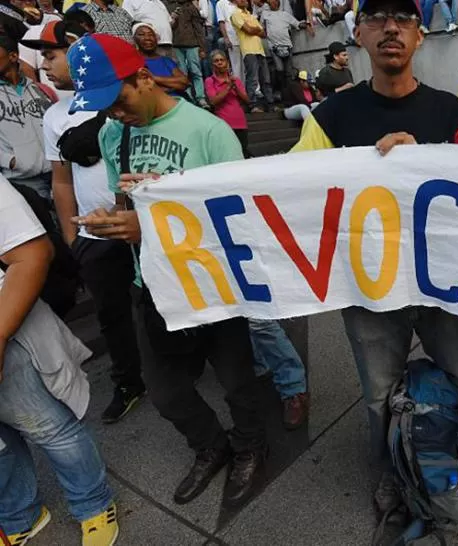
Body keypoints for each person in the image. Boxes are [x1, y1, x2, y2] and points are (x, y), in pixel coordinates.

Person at [289, 0, 458, 519]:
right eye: (377, 18)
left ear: (420, 37)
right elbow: (288, 188)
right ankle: (391, 469)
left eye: (404, 18)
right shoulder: (331, 116)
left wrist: (429, 161)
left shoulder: (449, 113)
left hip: (441, 282)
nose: (391, 27)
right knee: (378, 394)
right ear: (358, 36)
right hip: (368, 287)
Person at [68, 32, 268, 508]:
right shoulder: (114, 131)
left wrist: (151, 226)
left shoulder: (208, 131)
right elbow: (126, 198)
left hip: (211, 282)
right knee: (165, 390)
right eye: (105, 108)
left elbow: (238, 218)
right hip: (153, 283)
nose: (114, 114)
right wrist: (117, 218)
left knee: (237, 381)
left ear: (142, 76)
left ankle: (249, 446)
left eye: (118, 101)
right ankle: (210, 446)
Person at [27, 19, 148, 425]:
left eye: (51, 54)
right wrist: (71, 234)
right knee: (112, 315)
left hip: (145, 226)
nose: (44, 64)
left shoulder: (124, 97)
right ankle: (129, 381)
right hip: (93, 233)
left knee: (157, 302)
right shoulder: (54, 117)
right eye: (41, 56)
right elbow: (61, 181)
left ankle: (185, 363)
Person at [0, 174, 120, 546]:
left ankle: (92, 505)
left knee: (49, 427)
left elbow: (31, 253)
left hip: (7, 329)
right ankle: (20, 514)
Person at [0, 34, 54, 200]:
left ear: (13, 56)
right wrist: (10, 161)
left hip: (56, 174)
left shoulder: (40, 90)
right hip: (20, 180)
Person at [205, 48, 252, 155]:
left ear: (227, 62)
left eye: (222, 60)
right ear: (212, 64)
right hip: (224, 125)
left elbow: (247, 100)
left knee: (243, 153)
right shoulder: (210, 81)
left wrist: (235, 87)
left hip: (241, 123)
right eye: (216, 61)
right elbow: (213, 101)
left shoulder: (236, 80)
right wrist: (228, 87)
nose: (220, 62)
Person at [231, 0, 275, 112]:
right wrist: (255, 29)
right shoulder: (235, 14)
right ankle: (252, 105)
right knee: (253, 79)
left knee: (266, 79)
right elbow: (249, 30)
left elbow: (264, 33)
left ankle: (270, 104)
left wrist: (253, 30)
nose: (244, 1)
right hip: (249, 50)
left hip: (260, 50)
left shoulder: (250, 15)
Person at [167, 0, 207, 105]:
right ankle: (187, 96)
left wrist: (202, 47)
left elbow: (198, 29)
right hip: (176, 44)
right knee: (182, 72)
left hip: (192, 44)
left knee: (195, 70)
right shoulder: (170, 6)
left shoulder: (191, 8)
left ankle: (200, 97)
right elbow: (168, 27)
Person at [134, 22, 191, 97]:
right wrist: (173, 84)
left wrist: (153, 78)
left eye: (151, 34)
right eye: (141, 34)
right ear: (134, 39)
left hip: (179, 101)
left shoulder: (166, 61)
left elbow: (184, 83)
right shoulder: (134, 62)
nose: (147, 38)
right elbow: (145, 89)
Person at [259, 0, 303, 97]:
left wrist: (307, 24)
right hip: (274, 47)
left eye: (274, 1)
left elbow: (297, 24)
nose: (272, 3)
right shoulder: (265, 14)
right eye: (270, 2)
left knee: (288, 72)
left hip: (288, 46)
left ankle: (289, 94)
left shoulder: (285, 15)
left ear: (278, 3)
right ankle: (281, 92)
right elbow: (261, 29)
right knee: (279, 69)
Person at [216, 0, 243, 80]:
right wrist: (226, 38)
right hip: (232, 39)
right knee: (236, 67)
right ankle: (239, 88)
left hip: (245, 39)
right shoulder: (221, 3)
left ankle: (251, 89)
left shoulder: (239, 2)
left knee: (247, 66)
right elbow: (221, 22)